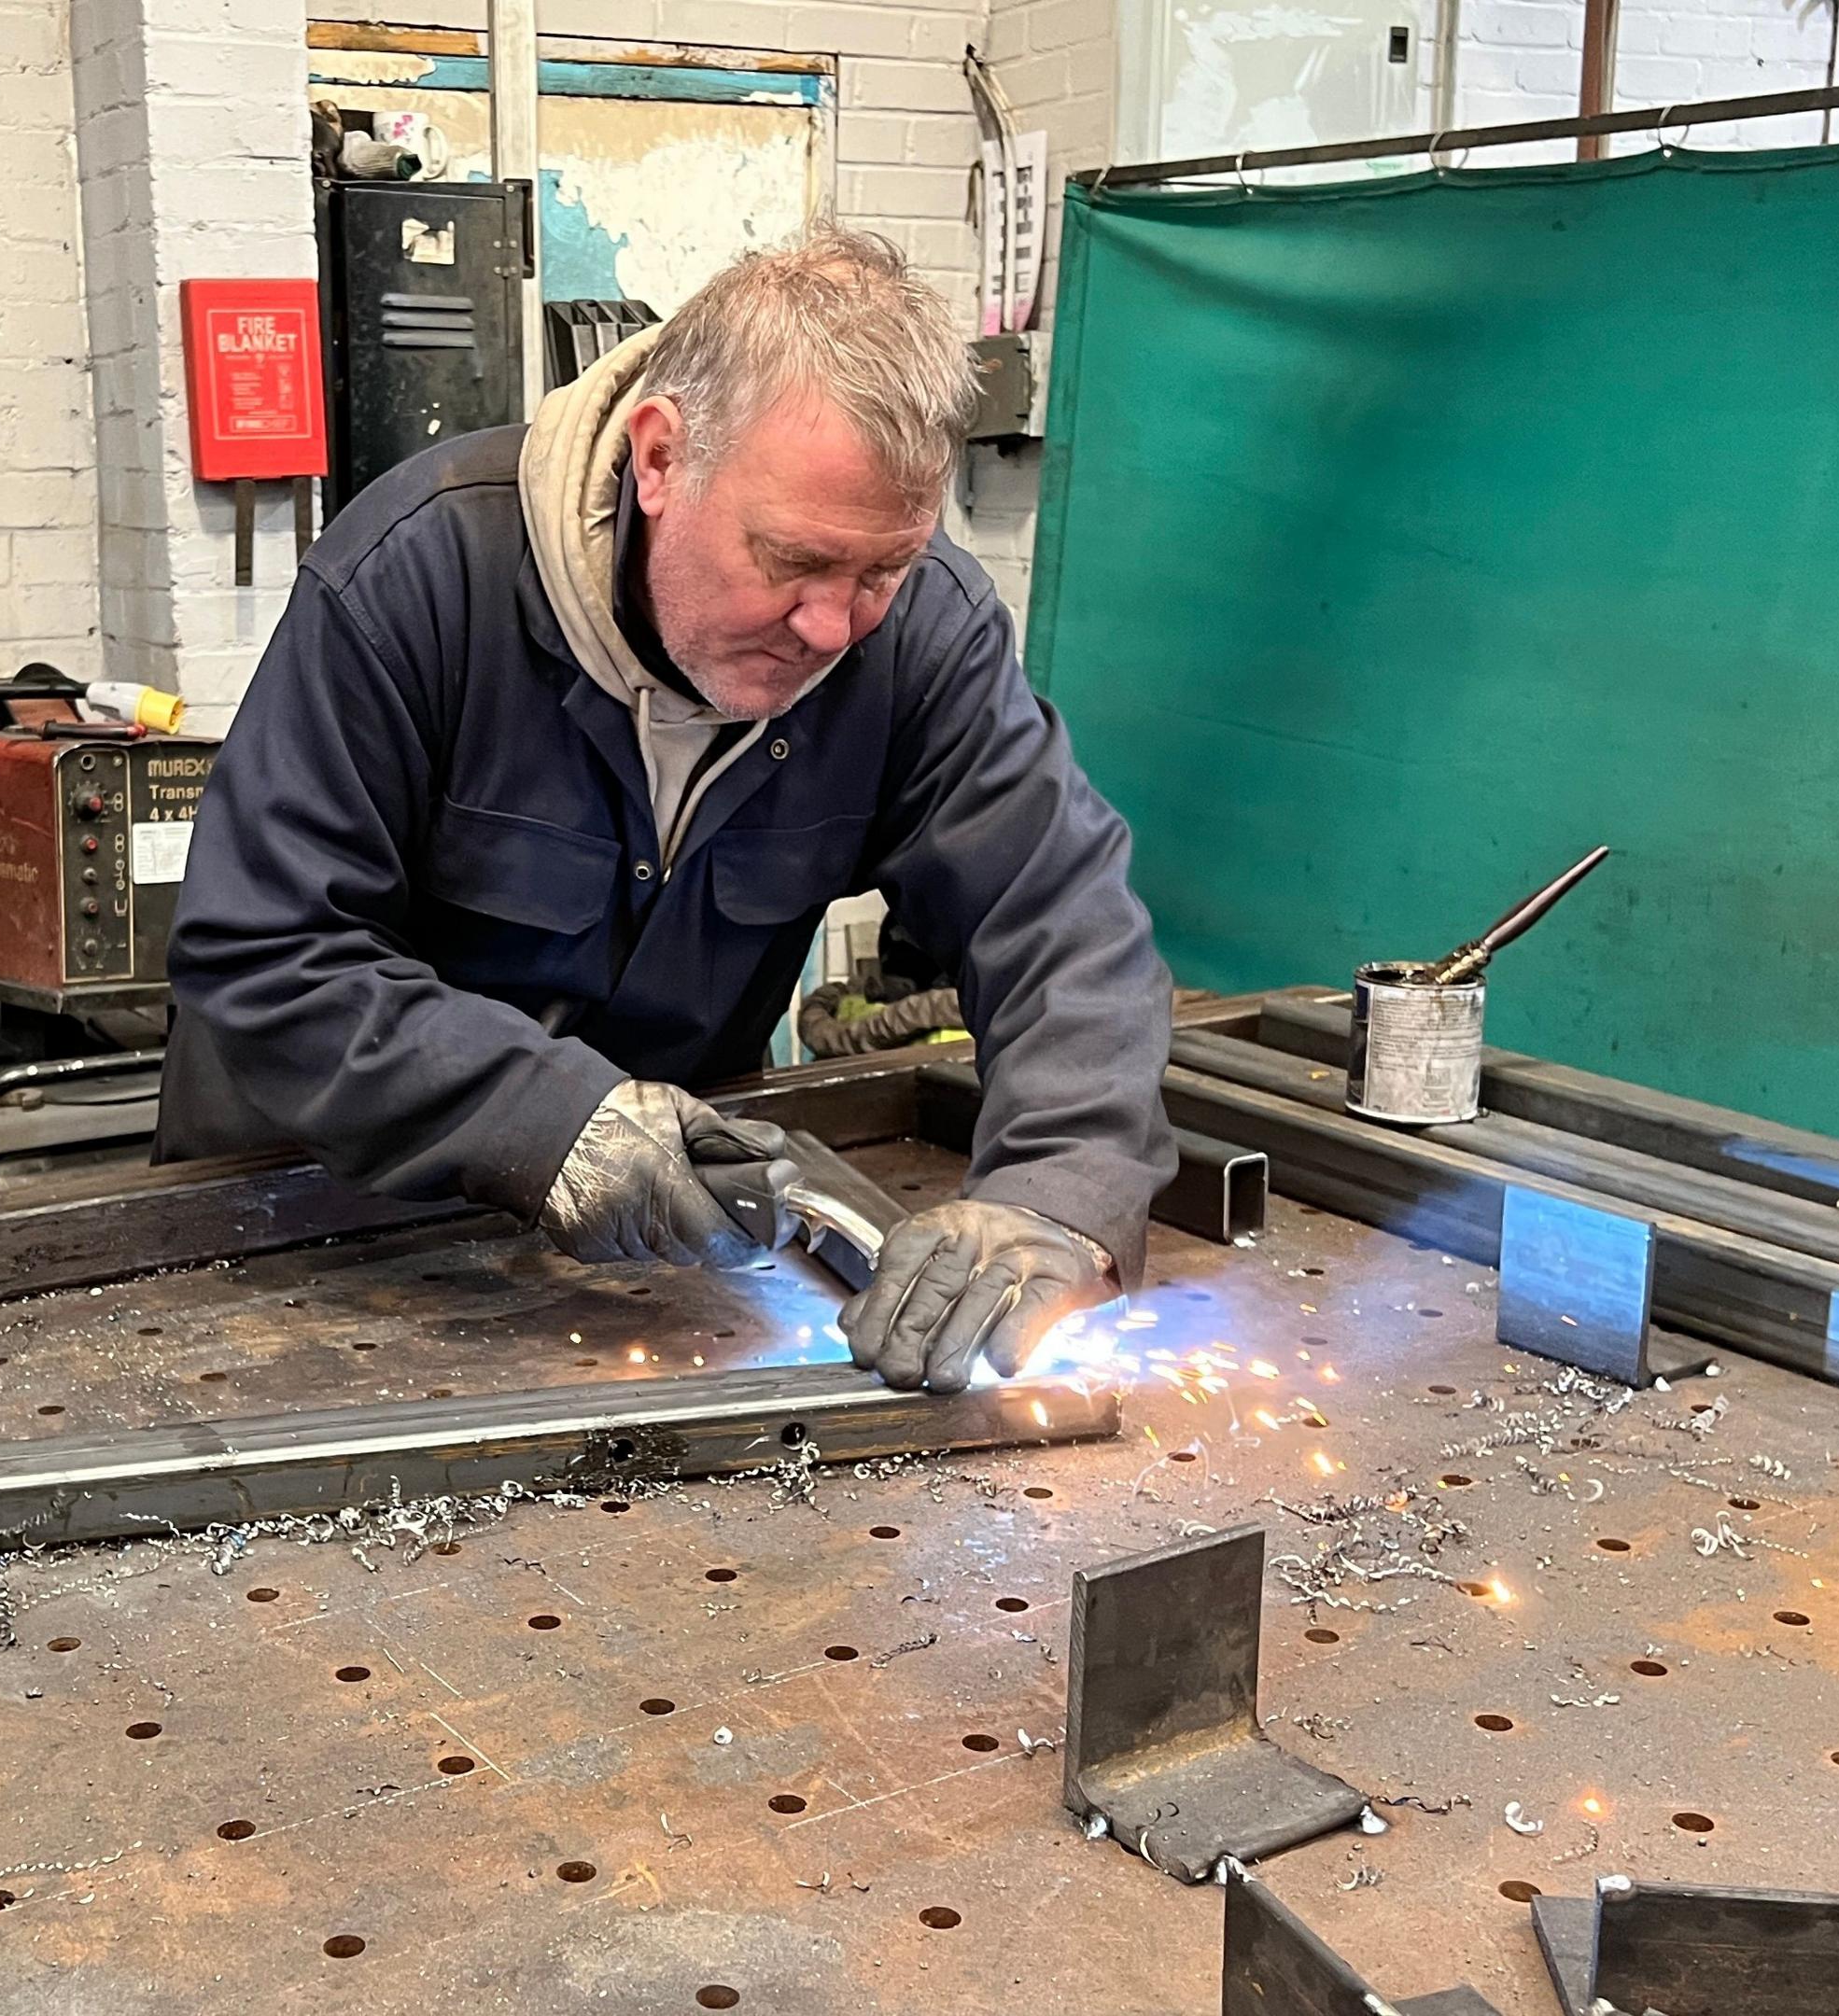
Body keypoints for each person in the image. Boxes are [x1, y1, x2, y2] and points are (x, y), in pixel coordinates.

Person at [161, 224, 1173, 1392]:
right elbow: (269, 952)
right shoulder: (417, 575)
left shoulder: (924, 636)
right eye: (791, 561)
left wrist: (1056, 1199)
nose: (833, 627)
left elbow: (1063, 925)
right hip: (310, 1235)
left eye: (879, 572)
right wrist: (550, 1120)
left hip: (653, 1268)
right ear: (658, 458)